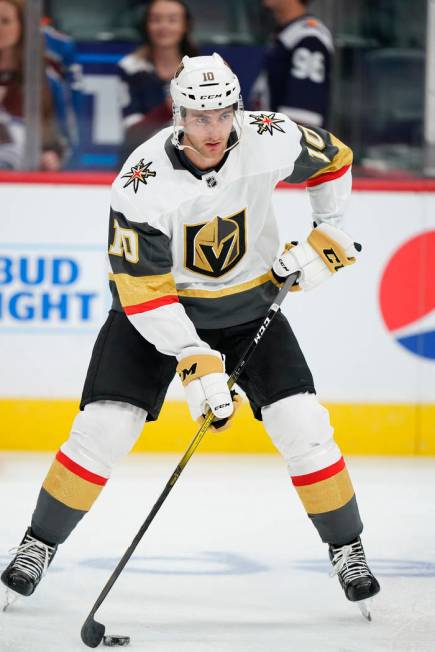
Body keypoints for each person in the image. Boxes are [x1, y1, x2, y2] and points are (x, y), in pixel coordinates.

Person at [1, 53, 380, 617]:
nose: (214, 130)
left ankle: (347, 547)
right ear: (177, 113)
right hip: (158, 314)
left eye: (224, 114)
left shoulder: (268, 136)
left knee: (304, 424)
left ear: (237, 109)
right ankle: (39, 543)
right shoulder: (140, 180)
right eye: (200, 117)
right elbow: (144, 290)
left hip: (251, 307)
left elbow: (336, 160)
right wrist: (193, 358)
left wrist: (330, 229)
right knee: (103, 428)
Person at [117, 0, 198, 162]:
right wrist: (166, 109)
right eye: (156, 19)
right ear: (146, 25)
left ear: (185, 25)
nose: (164, 27)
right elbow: (132, 132)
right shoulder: (130, 67)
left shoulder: (201, 68)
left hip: (192, 161)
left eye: (172, 20)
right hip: (141, 162)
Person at [0, 0, 66, 170]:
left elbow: (58, 125)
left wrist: (51, 152)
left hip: (28, 171)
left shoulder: (45, 74)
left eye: (5, 21)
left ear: (22, 25)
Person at [250, 0, 333, 129]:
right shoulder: (288, 31)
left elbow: (303, 116)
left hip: (284, 143)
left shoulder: (309, 37)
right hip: (268, 138)